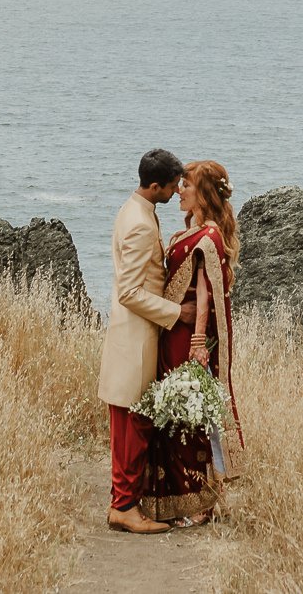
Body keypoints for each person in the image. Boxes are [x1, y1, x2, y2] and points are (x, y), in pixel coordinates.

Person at [141, 159, 243, 526]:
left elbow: (204, 292)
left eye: (186, 185)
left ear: (204, 195)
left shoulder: (209, 236)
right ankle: (177, 497)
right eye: (180, 184)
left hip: (188, 337)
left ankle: (201, 501)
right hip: (173, 332)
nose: (179, 190)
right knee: (176, 415)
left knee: (191, 416)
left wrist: (199, 341)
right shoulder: (195, 231)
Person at [99, 148, 185, 534]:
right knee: (134, 426)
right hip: (135, 340)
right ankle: (124, 508)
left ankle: (124, 504)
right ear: (155, 186)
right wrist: (175, 313)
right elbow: (130, 291)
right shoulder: (140, 224)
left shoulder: (134, 210)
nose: (176, 191)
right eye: (172, 186)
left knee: (130, 425)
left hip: (131, 336)